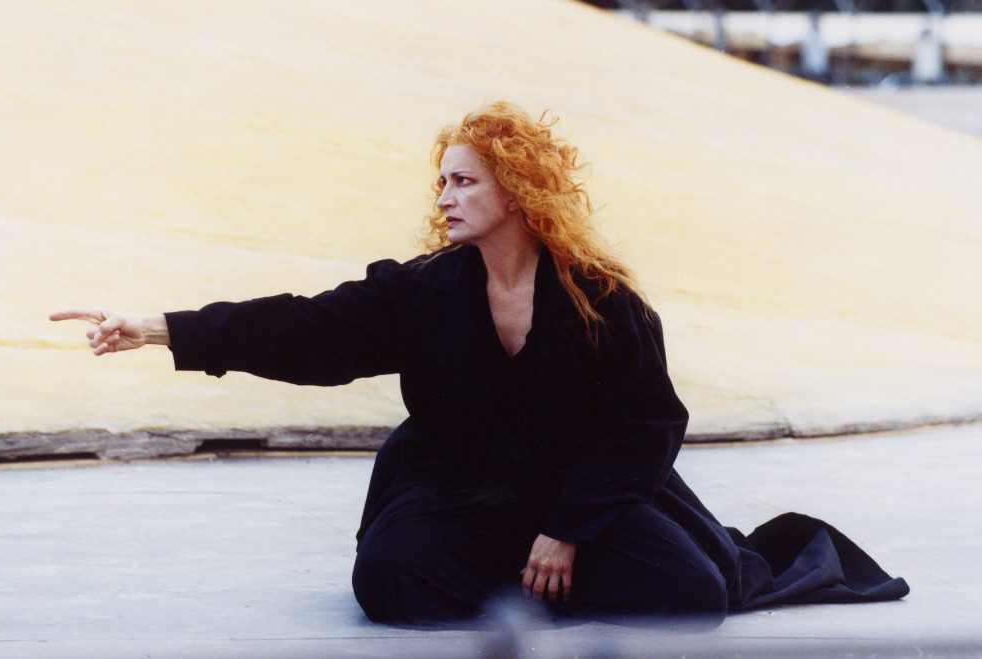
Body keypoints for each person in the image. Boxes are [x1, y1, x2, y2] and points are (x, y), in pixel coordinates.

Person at [50, 101, 909, 625]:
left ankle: (545, 565)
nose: (445, 197)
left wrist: (568, 529)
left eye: (463, 181)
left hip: (580, 493)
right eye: (443, 183)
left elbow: (647, 424)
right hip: (454, 485)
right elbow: (306, 328)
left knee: (694, 592)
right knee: (389, 582)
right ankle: (529, 574)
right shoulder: (422, 290)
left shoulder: (600, 298)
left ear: (518, 190)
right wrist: (158, 328)